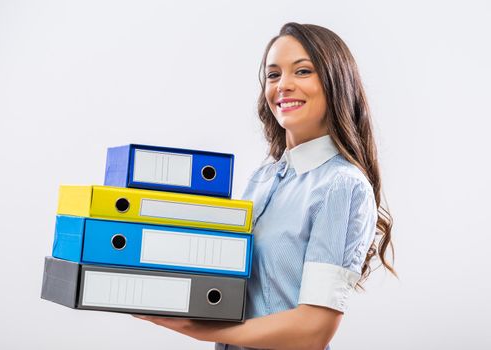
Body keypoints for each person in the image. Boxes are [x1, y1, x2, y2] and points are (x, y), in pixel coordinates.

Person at [134, 22, 396, 350]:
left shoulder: (341, 186)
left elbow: (314, 329)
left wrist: (200, 329)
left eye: (302, 71)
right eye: (273, 75)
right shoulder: (263, 177)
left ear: (335, 82)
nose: (283, 86)